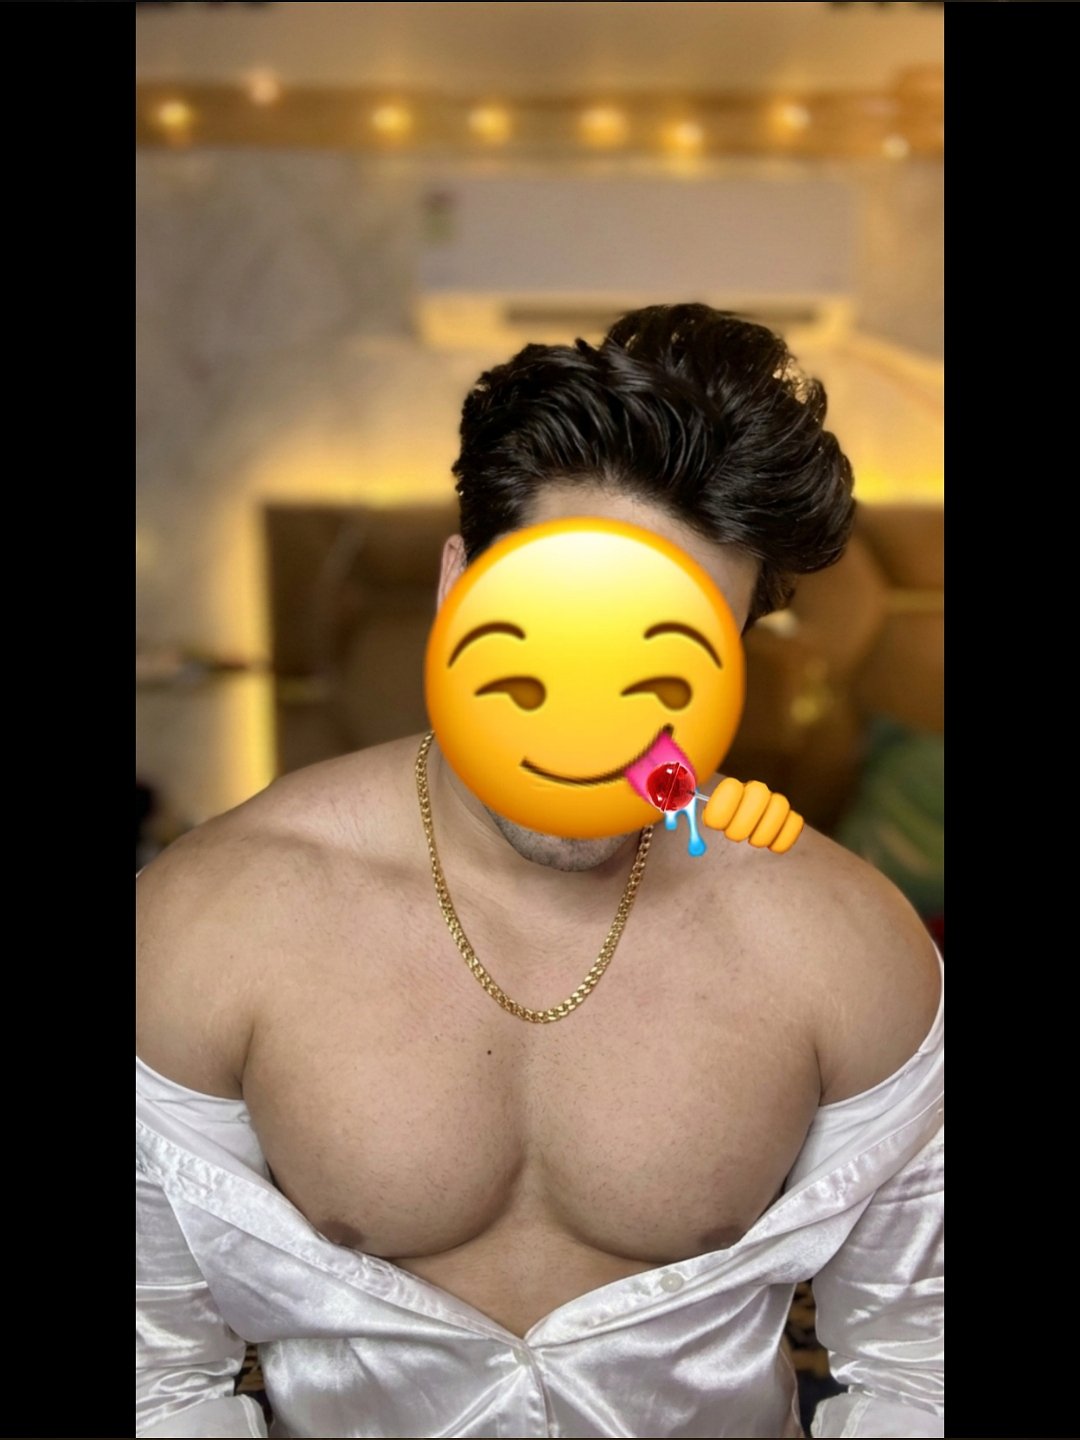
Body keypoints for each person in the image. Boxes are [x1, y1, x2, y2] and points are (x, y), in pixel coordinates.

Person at [136, 304, 943, 1439]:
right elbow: (156, 1374)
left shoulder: (845, 944)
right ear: (456, 588)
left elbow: (918, 1370)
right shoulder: (212, 921)